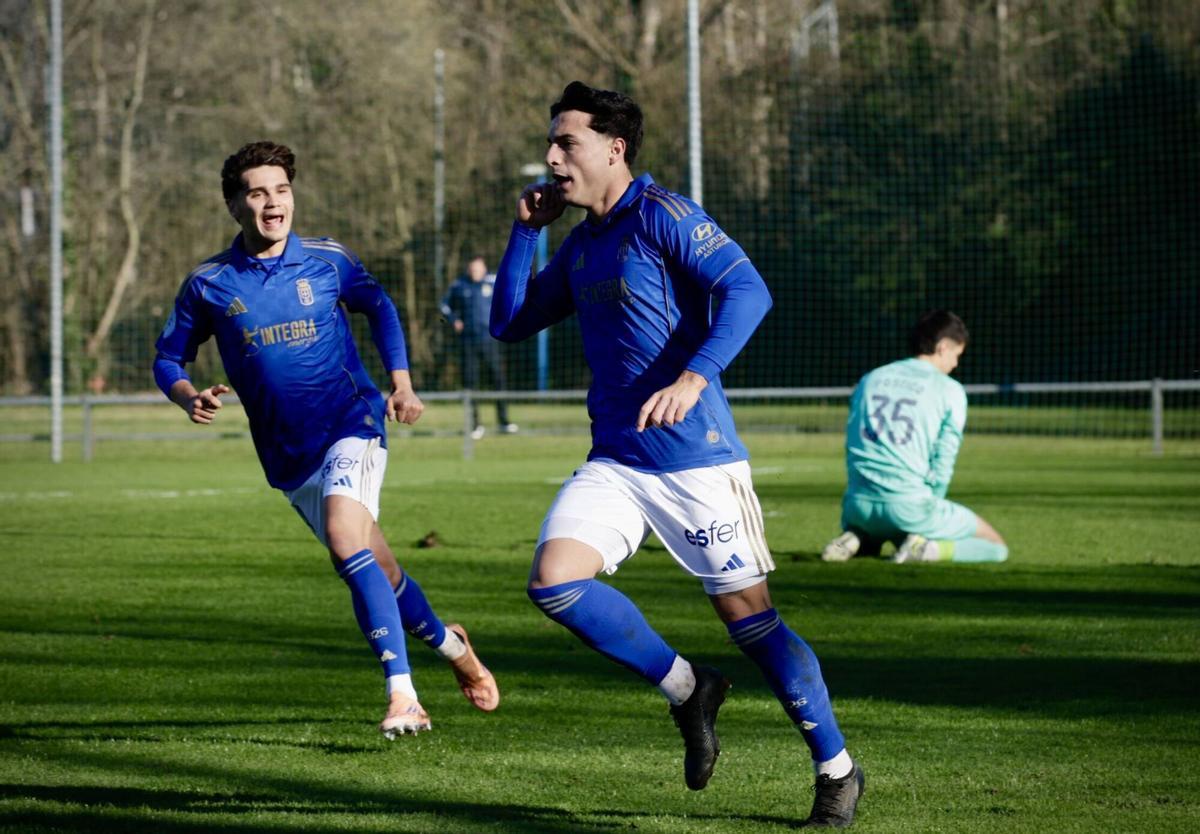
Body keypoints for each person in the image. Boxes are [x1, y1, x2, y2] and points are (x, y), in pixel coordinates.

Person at [490, 82, 864, 828]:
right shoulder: (582, 243)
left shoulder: (664, 215)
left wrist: (695, 378)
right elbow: (508, 324)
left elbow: (748, 290)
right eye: (551, 142)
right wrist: (526, 232)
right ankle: (690, 689)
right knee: (554, 583)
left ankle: (838, 770)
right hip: (618, 462)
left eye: (566, 142)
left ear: (614, 149)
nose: (552, 156)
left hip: (697, 461)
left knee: (753, 626)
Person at [152, 141, 499, 738]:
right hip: (289, 456)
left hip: (353, 421)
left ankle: (404, 694)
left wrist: (401, 384)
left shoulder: (328, 259)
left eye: (281, 190)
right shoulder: (208, 284)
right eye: (257, 193)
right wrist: (188, 396)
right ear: (235, 204)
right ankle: (453, 647)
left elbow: (380, 305)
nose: (272, 203)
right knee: (380, 570)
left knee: (345, 539)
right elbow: (167, 357)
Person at [821, 310, 1009, 565]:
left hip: (857, 507)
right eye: (957, 355)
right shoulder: (949, 389)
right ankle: (925, 550)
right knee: (996, 547)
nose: (955, 364)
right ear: (943, 347)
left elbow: (853, 442)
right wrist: (930, 507)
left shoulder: (871, 378)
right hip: (909, 509)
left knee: (887, 526)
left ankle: (857, 537)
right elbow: (944, 459)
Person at [439, 256, 517, 439]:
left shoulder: (493, 281)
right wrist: (454, 321)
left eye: (477, 269)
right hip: (468, 342)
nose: (474, 272)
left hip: (490, 340)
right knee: (470, 382)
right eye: (472, 269)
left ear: (483, 269)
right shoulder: (459, 285)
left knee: (498, 379)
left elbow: (510, 297)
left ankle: (504, 421)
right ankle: (474, 425)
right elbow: (444, 305)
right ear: (468, 270)